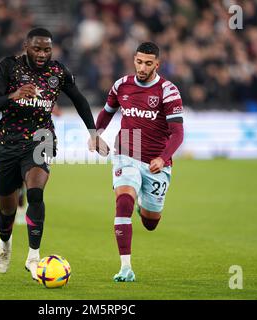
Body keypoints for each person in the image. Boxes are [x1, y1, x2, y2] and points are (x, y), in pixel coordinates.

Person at [0, 28, 109, 280]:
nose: (42, 54)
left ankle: (33, 256)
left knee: (35, 192)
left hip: (42, 139)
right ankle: (5, 243)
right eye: (37, 49)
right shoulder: (8, 67)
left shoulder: (57, 72)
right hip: (8, 142)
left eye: (47, 49)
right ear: (26, 46)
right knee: (7, 210)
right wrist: (14, 95)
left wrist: (94, 133)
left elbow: (80, 101)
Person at [89, 42, 184, 282]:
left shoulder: (168, 91)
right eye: (139, 62)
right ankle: (125, 267)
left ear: (157, 64)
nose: (142, 67)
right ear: (134, 60)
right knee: (123, 202)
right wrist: (95, 134)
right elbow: (108, 112)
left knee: (151, 222)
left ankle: (145, 206)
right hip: (126, 152)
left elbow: (177, 133)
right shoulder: (121, 85)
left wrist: (163, 158)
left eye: (148, 63)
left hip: (156, 161)